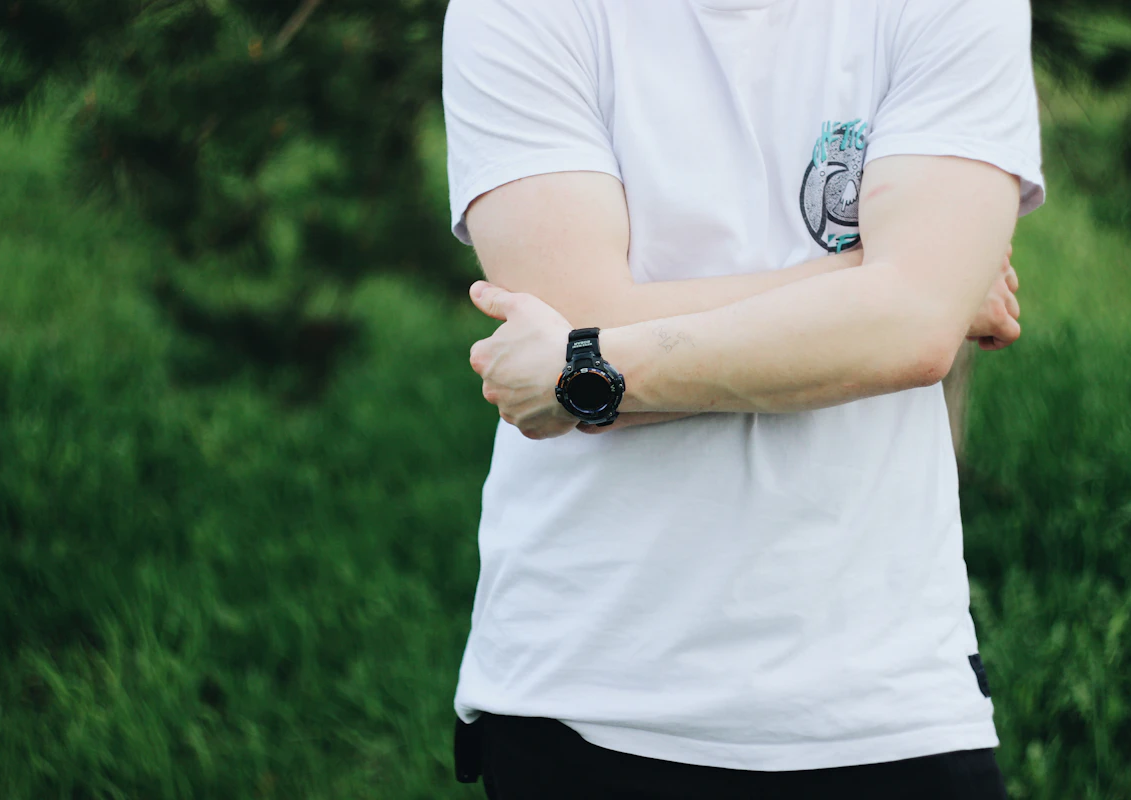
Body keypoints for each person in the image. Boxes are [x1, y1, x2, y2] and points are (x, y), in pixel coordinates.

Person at [443, 0, 1044, 796]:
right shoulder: (520, 11)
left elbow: (914, 331)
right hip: (590, 695)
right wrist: (885, 284)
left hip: (886, 700)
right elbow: (574, 307)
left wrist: (583, 372)